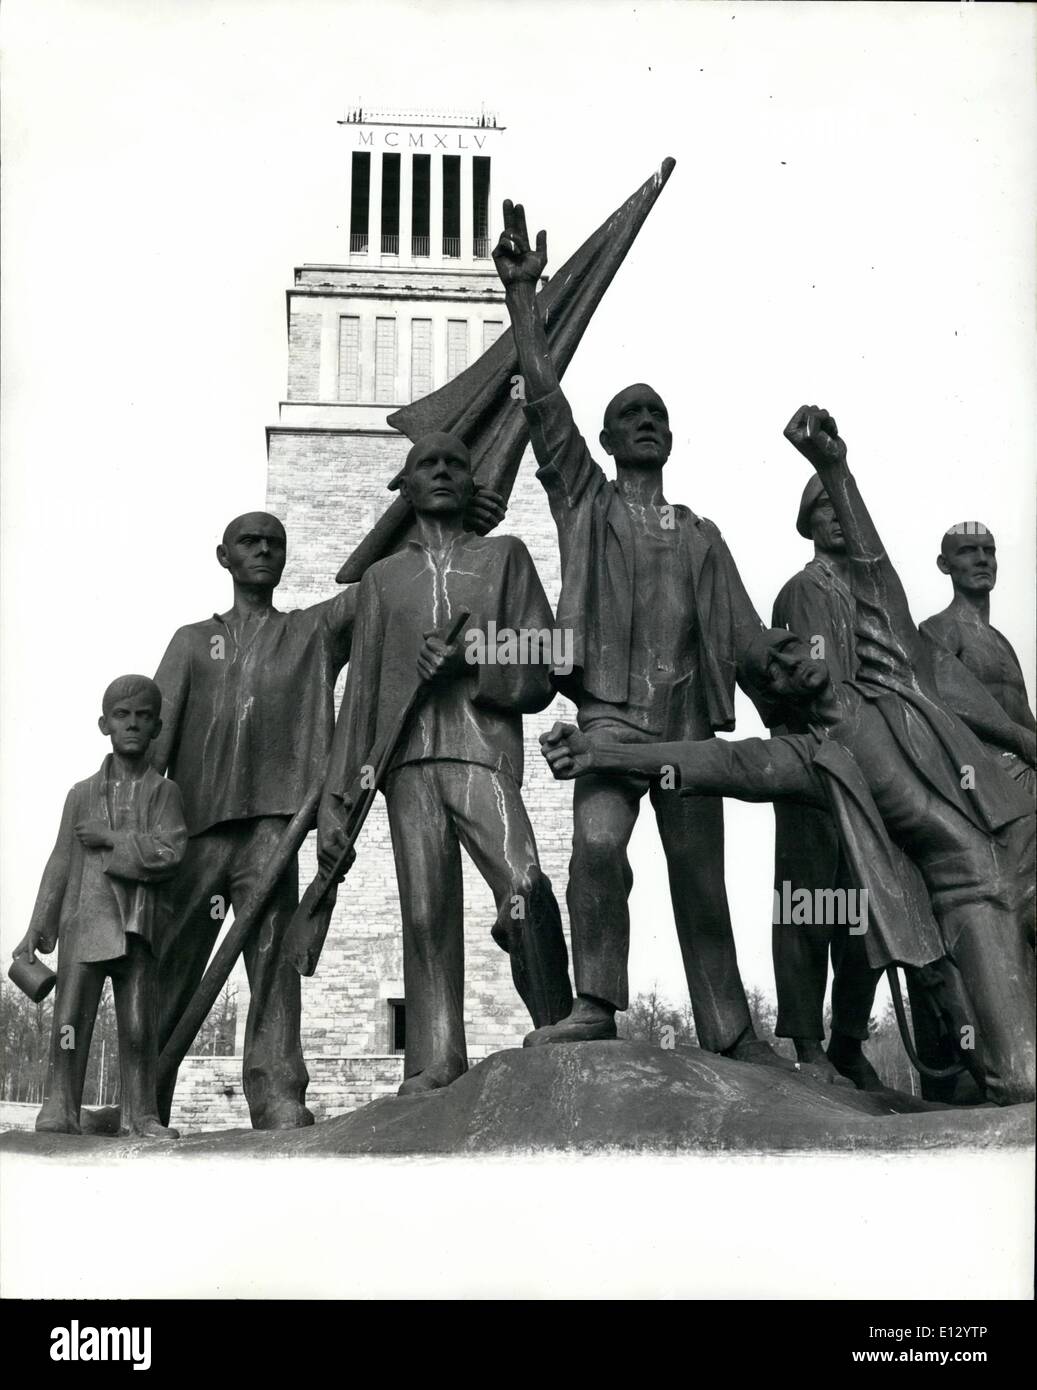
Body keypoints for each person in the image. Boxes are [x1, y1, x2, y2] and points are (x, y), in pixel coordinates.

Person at [540, 406, 1035, 1106]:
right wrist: (594, 752)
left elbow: (859, 581)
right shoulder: (813, 729)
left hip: (1007, 847)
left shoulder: (890, 663)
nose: (797, 663)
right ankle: (808, 1041)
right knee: (812, 913)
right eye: (781, 666)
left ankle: (811, 1038)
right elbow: (737, 762)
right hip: (945, 881)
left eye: (793, 656)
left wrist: (832, 467)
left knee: (835, 915)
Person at [493, 199, 784, 1066]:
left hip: (686, 724)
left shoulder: (701, 535)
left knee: (702, 885)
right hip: (612, 718)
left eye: (657, 412)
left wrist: (796, 660)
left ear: (670, 435)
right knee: (595, 850)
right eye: (630, 415)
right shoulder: (587, 502)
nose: (646, 420)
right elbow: (543, 404)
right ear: (611, 440)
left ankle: (728, 1028)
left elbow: (744, 639)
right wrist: (522, 300)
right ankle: (593, 1003)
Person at [151, 493, 506, 1129]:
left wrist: (433, 515)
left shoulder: (308, 631)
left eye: (274, 543)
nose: (263, 550)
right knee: (174, 959)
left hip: (274, 830)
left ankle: (277, 1091)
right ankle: (142, 1090)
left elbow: (380, 583)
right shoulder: (191, 643)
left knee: (272, 962)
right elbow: (154, 744)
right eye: (250, 541)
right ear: (223, 557)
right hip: (197, 827)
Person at [318, 432, 573, 1095]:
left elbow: (547, 652)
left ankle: (557, 1023)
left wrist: (472, 657)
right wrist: (338, 801)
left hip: (481, 751)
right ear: (404, 486)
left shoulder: (503, 557)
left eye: (454, 465)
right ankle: (434, 1058)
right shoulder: (382, 579)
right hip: (407, 766)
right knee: (426, 915)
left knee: (524, 883)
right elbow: (362, 697)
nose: (440, 473)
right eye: (426, 465)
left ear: (470, 484)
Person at [12, 676, 186, 1137]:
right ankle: (59, 1106)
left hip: (137, 927)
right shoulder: (81, 793)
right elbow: (59, 861)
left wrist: (112, 840)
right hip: (84, 924)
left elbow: (171, 853)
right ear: (103, 724)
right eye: (122, 715)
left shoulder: (164, 793)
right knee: (69, 1022)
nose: (132, 724)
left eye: (143, 717)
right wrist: (37, 926)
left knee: (137, 1029)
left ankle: (142, 1115)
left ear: (157, 727)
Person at [770, 479, 882, 1088]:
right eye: (824, 509)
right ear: (807, 521)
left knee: (864, 912)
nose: (837, 518)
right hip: (813, 767)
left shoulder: (872, 598)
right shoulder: (796, 592)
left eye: (843, 509)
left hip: (870, 774)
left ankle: (848, 1040)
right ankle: (807, 1043)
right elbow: (768, 678)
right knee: (805, 902)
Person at [921, 522, 1036, 795]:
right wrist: (1023, 740)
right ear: (944, 564)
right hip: (978, 770)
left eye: (989, 551)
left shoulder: (1002, 642)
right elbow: (943, 696)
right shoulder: (939, 629)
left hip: (1022, 766)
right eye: (968, 551)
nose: (982, 559)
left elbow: (1023, 716)